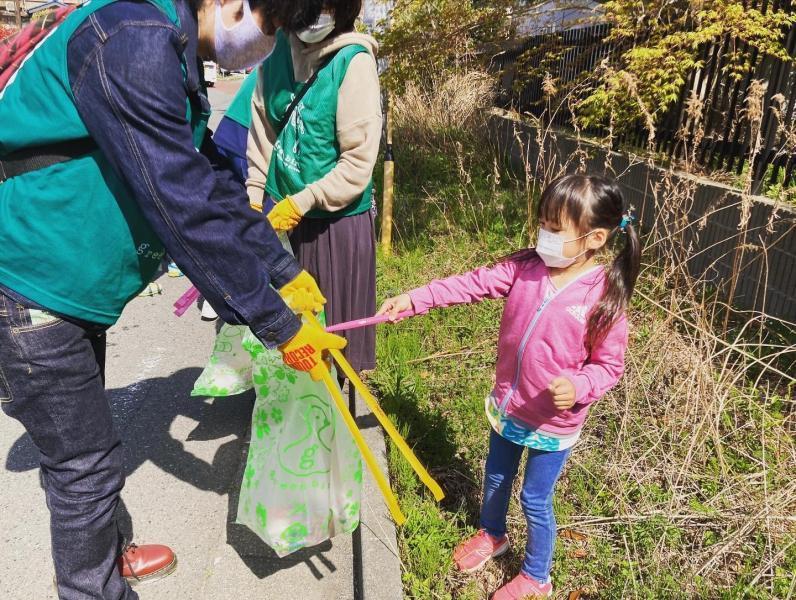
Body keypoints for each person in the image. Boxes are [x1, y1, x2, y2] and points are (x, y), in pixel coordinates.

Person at [0, 0, 346, 597]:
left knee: (90, 457)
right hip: (32, 285)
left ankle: (107, 553)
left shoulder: (169, 50)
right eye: (272, 27)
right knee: (85, 469)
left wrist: (279, 270)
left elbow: (210, 180)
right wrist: (279, 326)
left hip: (70, 291)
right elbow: (179, 207)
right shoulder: (134, 37)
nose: (268, 45)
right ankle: (95, 584)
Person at [378, 174, 641, 599]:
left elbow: (609, 366)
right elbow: (470, 284)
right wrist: (415, 298)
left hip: (553, 424)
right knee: (496, 478)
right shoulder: (526, 268)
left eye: (556, 229)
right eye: (542, 224)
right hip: (508, 405)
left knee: (535, 500)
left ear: (594, 238)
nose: (544, 236)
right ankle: (492, 534)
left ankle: (537, 576)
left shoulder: (604, 296)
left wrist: (578, 385)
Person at [248, 0, 382, 373]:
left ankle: (330, 416)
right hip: (282, 215)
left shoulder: (352, 62)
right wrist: (254, 196)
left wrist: (303, 201)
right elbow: (262, 136)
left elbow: (357, 166)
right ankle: (290, 409)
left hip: (333, 221)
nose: (316, 14)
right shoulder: (274, 57)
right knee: (287, 332)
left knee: (332, 337)